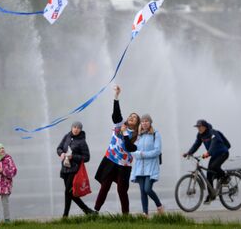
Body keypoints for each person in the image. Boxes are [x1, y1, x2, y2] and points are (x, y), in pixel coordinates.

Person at [94, 85, 140, 214]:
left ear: (137, 123)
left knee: (121, 190)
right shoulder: (119, 125)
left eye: (135, 117)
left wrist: (125, 134)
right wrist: (116, 97)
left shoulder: (136, 135)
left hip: (124, 166)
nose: (131, 117)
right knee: (105, 185)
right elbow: (116, 114)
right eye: (130, 116)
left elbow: (130, 148)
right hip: (111, 160)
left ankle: (125, 215)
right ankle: (95, 211)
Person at [182, 119, 230, 204]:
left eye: (200, 127)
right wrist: (189, 153)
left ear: (205, 127)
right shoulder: (200, 135)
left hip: (223, 153)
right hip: (214, 155)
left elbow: (214, 143)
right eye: (197, 127)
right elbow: (196, 145)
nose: (198, 129)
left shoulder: (212, 132)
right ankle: (211, 195)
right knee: (209, 175)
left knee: (214, 167)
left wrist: (208, 153)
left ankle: (225, 176)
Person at [56, 121, 95, 217]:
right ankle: (88, 211)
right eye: (74, 127)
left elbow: (86, 157)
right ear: (71, 127)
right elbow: (59, 148)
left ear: (81, 129)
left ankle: (65, 216)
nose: (76, 129)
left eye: (78, 128)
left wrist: (73, 156)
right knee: (71, 194)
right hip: (65, 168)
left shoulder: (82, 142)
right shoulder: (67, 136)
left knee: (67, 192)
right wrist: (61, 153)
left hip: (74, 170)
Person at [131, 114, 164, 217]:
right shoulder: (138, 135)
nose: (144, 123)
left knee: (147, 189)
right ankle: (145, 213)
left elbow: (157, 151)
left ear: (150, 123)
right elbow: (133, 150)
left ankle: (159, 206)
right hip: (139, 168)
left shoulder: (155, 134)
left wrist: (142, 154)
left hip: (151, 167)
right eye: (143, 121)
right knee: (142, 191)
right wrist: (138, 154)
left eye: (146, 121)